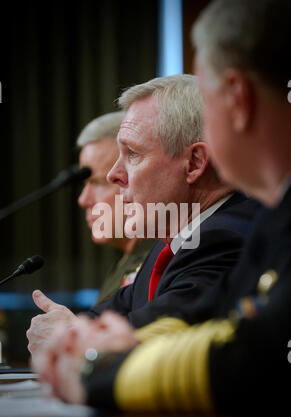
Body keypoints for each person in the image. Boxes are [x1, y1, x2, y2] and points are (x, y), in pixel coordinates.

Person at [27, 74, 258, 357]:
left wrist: (74, 338)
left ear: (195, 162)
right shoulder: (170, 245)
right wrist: (70, 329)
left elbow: (156, 340)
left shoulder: (225, 238)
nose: (114, 174)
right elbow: (114, 315)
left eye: (133, 154)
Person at [76, 112, 154, 303]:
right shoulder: (128, 261)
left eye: (99, 183)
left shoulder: (158, 263)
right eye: (85, 184)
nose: (83, 200)